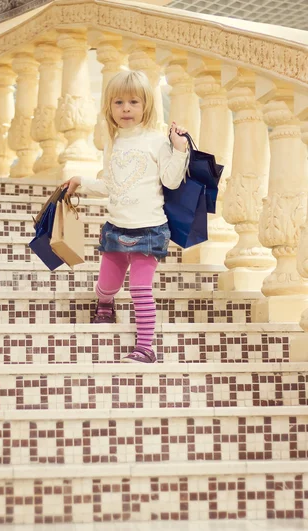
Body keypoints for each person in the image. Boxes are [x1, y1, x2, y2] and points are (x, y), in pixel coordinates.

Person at [62, 70, 188, 364]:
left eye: (134, 102)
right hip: (117, 228)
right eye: (118, 102)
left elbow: (170, 182)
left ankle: (145, 348)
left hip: (150, 230)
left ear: (146, 105)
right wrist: (80, 179)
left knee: (141, 289)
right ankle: (105, 304)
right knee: (107, 285)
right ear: (109, 107)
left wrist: (179, 150)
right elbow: (110, 185)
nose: (126, 109)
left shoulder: (158, 142)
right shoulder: (113, 143)